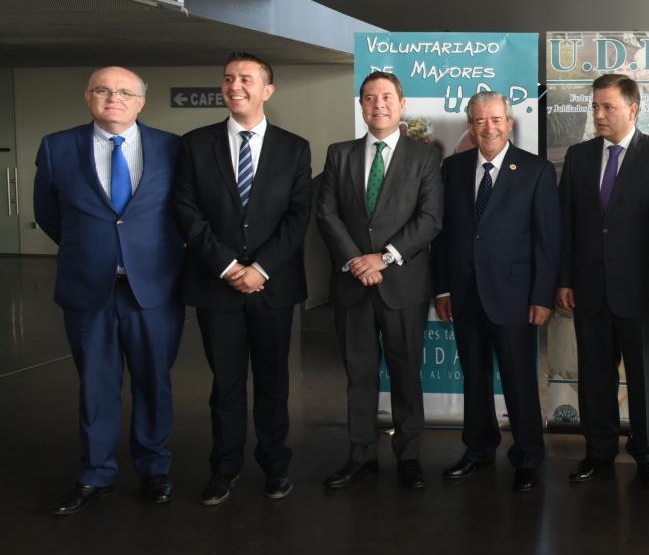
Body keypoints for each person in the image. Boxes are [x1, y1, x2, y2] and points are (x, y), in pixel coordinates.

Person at [33, 67, 185, 514]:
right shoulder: (57, 146)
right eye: (103, 90)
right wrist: (93, 251)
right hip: (88, 288)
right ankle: (95, 473)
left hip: (153, 288)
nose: (112, 98)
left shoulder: (171, 148)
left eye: (124, 92)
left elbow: (182, 212)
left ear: (141, 101)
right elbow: (48, 212)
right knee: (96, 385)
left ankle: (154, 468)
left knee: (154, 382)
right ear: (87, 97)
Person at [173, 51, 312, 505]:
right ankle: (224, 468)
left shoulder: (294, 147)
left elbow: (297, 217)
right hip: (218, 287)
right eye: (229, 78)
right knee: (225, 385)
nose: (236, 86)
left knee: (274, 385)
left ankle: (275, 466)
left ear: (267, 90)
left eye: (247, 79)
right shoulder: (195, 144)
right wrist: (230, 267)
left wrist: (261, 268)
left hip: (274, 288)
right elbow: (187, 212)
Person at [316, 71, 442, 491]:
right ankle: (360, 455)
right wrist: (356, 260)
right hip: (353, 285)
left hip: (402, 284)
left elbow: (430, 219)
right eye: (370, 98)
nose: (378, 105)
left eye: (387, 97)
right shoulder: (340, 153)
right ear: (362, 105)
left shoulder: (424, 157)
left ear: (402, 104)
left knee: (406, 373)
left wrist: (383, 258)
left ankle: (408, 457)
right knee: (359, 374)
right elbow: (327, 213)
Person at [433, 91, 561, 492]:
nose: (488, 128)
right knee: (474, 377)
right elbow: (444, 236)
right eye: (479, 121)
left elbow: (547, 240)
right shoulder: (452, 169)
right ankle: (478, 449)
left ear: (509, 122)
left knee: (520, 380)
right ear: (470, 125)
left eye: (495, 120)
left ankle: (527, 457)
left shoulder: (536, 171)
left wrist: (542, 297)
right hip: (465, 294)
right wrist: (441, 290)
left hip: (515, 296)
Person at [557, 73, 649, 488]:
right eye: (595, 106)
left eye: (608, 107)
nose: (599, 114)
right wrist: (565, 279)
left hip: (644, 294)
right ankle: (598, 451)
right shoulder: (578, 156)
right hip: (589, 289)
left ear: (633, 108)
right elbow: (567, 224)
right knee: (594, 376)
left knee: (646, 379)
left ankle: (647, 453)